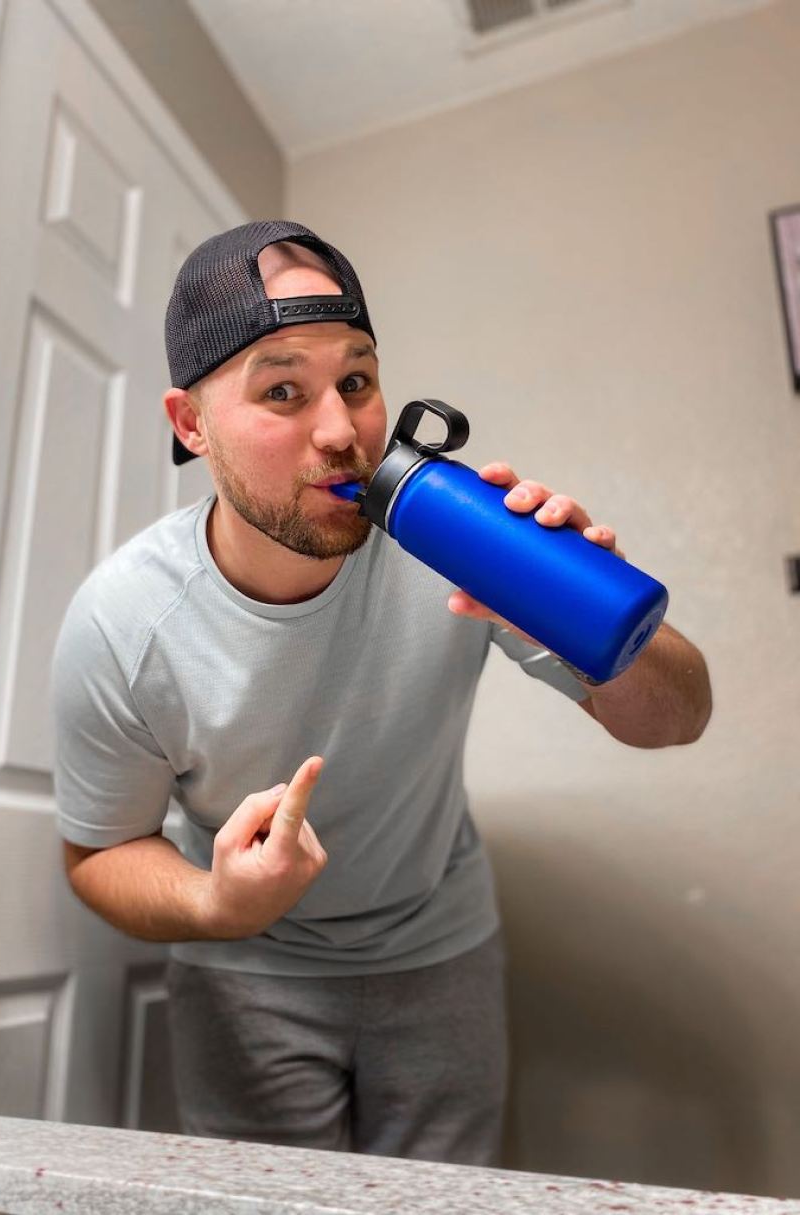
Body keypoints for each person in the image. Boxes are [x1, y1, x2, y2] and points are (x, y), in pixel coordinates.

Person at [52, 220, 712, 1166]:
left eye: (355, 382)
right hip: (245, 967)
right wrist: (218, 906)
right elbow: (98, 851)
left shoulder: (451, 544)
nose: (341, 431)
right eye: (282, 389)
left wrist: (592, 620)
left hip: (440, 946)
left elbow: (679, 718)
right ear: (189, 425)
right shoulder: (122, 622)